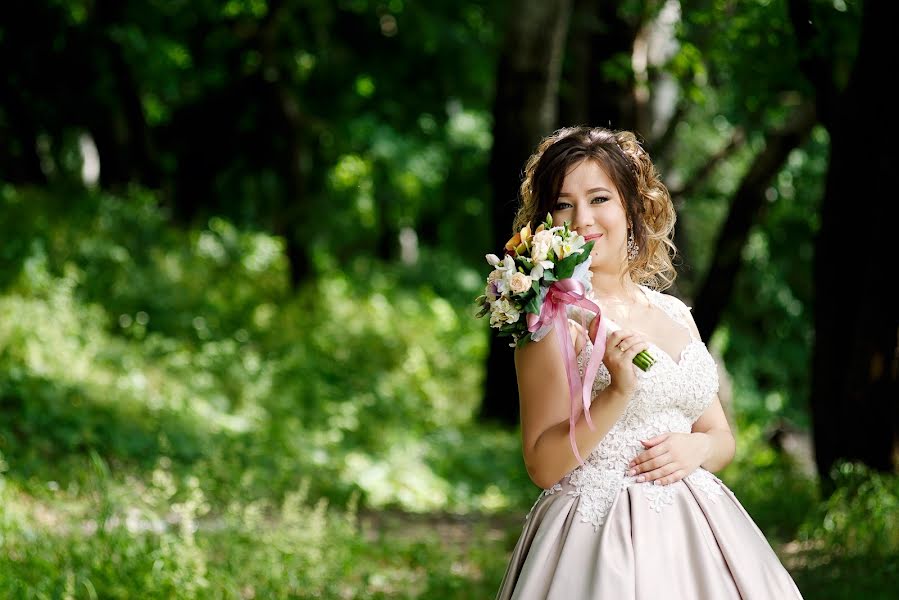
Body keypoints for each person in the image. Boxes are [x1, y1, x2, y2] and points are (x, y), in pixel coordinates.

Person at [494, 126, 804, 599]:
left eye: (599, 199)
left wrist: (696, 450)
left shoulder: (674, 313)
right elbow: (542, 464)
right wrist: (618, 392)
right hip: (601, 538)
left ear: (631, 209)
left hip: (699, 535)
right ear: (546, 219)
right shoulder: (551, 317)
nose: (582, 219)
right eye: (563, 203)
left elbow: (719, 436)